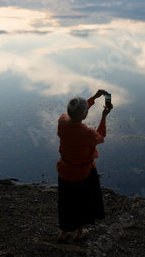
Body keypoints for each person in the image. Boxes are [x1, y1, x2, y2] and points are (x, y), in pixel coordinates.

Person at [56, 89, 113, 242]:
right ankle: (79, 232)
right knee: (81, 203)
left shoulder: (62, 121)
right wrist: (103, 116)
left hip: (65, 170)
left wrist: (94, 97)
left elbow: (75, 112)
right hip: (83, 173)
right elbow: (100, 137)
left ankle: (64, 232)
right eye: (86, 111)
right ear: (83, 115)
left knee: (66, 202)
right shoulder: (87, 133)